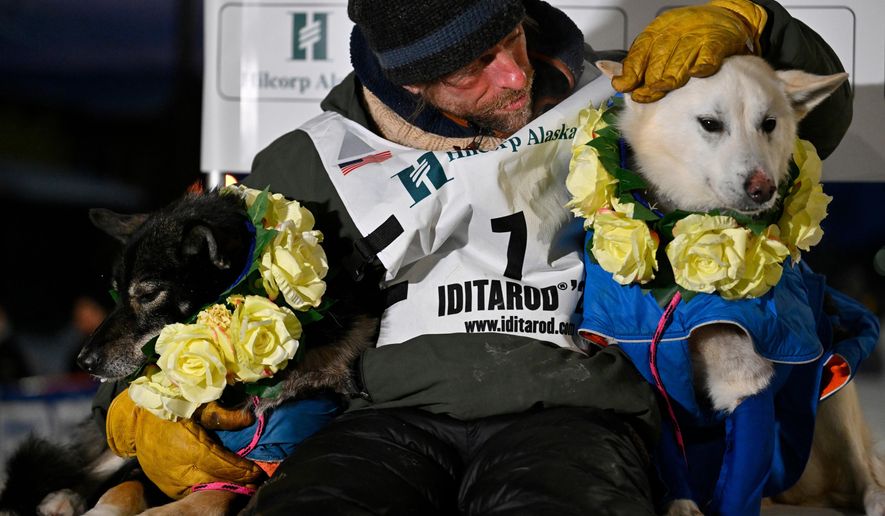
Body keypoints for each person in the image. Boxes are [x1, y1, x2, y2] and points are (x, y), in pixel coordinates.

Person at [101, 0, 853, 514]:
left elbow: (809, 125)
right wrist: (137, 407)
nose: (514, 75)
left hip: (572, 409)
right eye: (473, 70)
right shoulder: (309, 161)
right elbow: (197, 294)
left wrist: (752, 19)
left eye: (510, 40)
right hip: (386, 418)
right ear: (406, 79)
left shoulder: (617, 93)